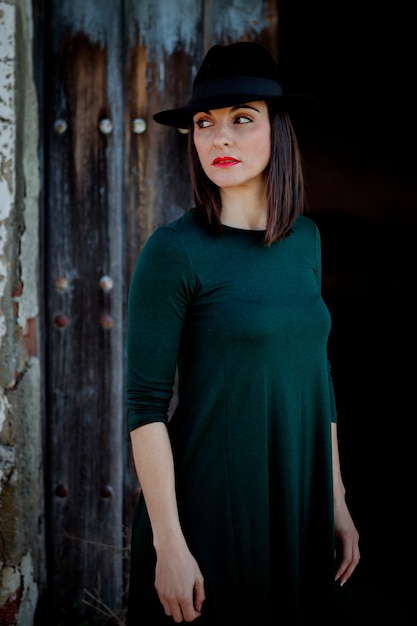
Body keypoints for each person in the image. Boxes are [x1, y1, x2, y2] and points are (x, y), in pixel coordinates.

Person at [126, 41, 360, 625]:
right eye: (204, 123)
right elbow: (146, 407)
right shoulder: (174, 252)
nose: (219, 138)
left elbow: (318, 372)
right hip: (213, 517)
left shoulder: (305, 239)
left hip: (299, 506)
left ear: (279, 129)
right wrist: (169, 545)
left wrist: (336, 499)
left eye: (242, 119)